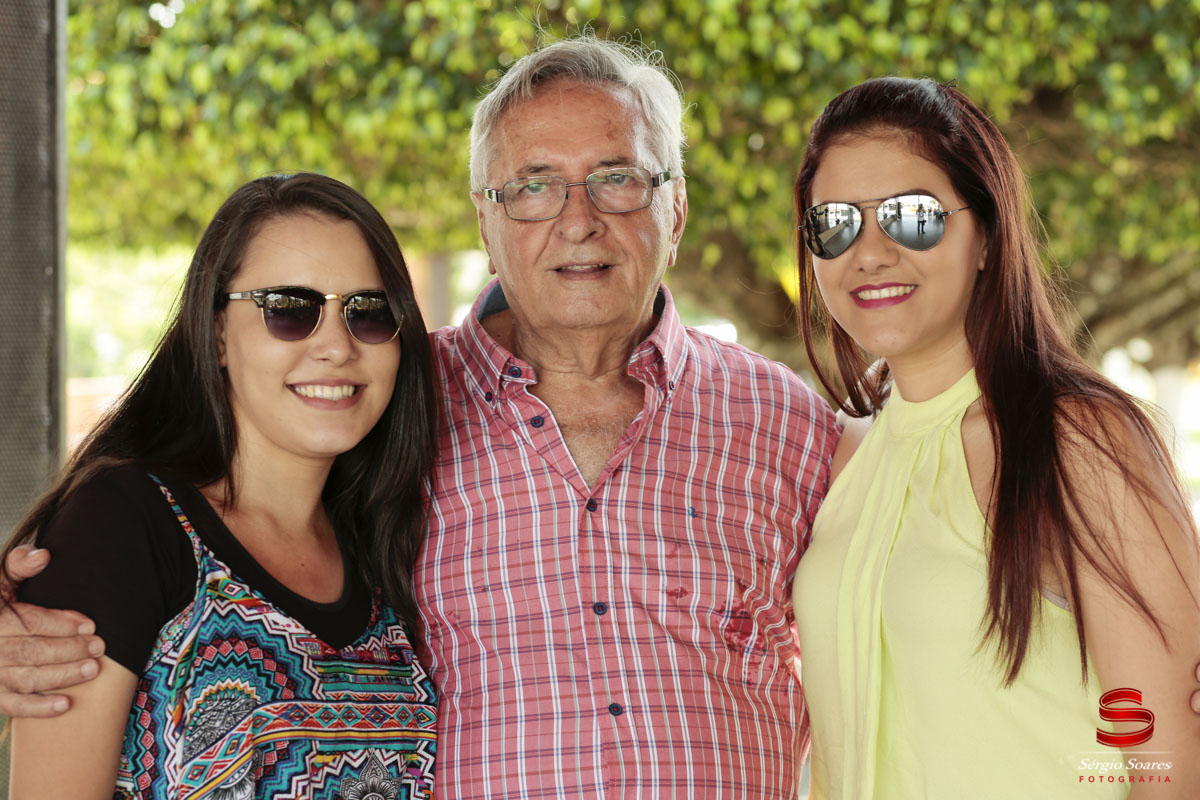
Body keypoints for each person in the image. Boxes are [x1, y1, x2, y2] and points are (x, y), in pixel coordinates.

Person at [792, 77, 1200, 797]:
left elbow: (1171, 754)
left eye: (913, 217)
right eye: (835, 224)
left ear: (986, 234)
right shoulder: (842, 457)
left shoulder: (1074, 438)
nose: (871, 252)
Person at [4, 173, 440, 796]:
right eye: (290, 309)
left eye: (369, 313)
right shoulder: (122, 524)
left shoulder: (390, 544)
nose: (337, 347)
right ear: (215, 335)